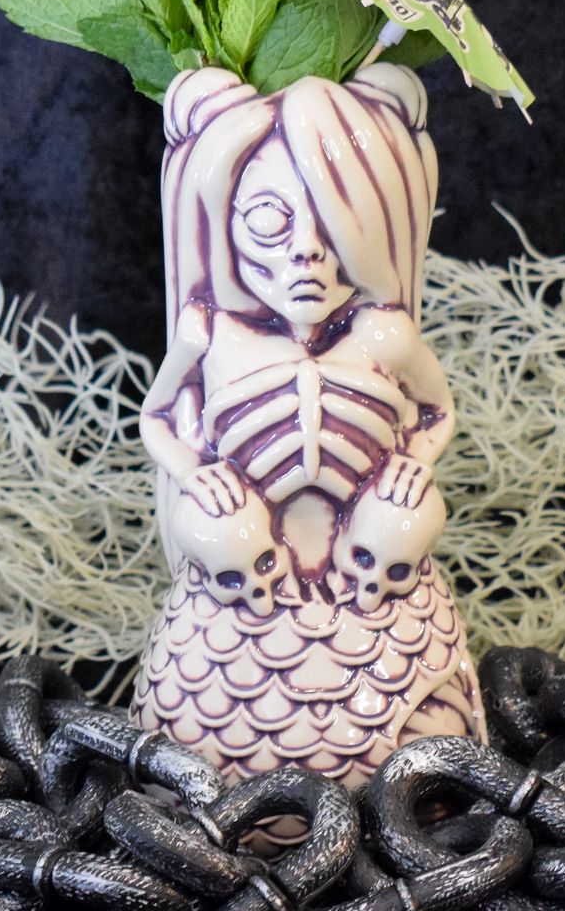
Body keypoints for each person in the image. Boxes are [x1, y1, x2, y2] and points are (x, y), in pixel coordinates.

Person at [131, 63, 486, 790]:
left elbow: (438, 410)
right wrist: (196, 475)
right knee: (200, 736)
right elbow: (158, 416)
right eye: (269, 218)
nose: (308, 252)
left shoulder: (385, 336)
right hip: (235, 599)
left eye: (338, 225)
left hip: (381, 591)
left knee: (427, 744)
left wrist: (413, 465)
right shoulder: (208, 334)